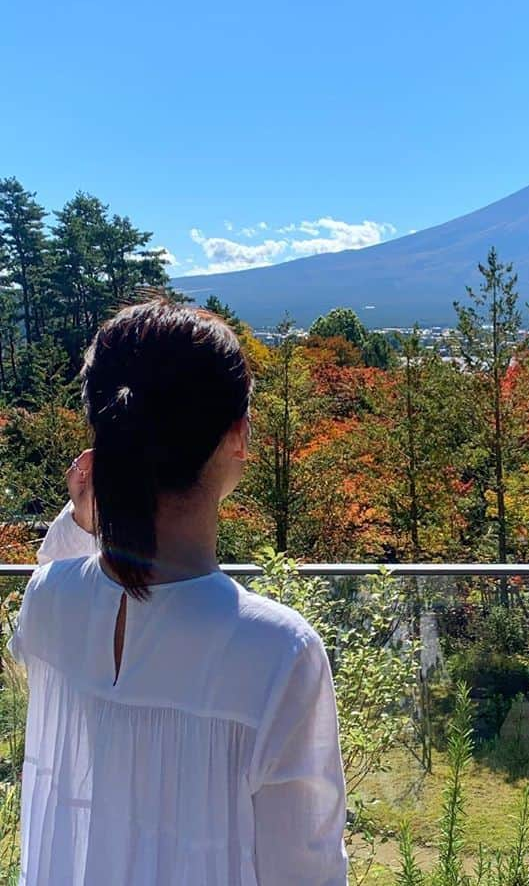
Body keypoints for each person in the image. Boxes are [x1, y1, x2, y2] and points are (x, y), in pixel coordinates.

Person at [10, 301, 349, 885]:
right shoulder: (276, 652)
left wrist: (88, 512)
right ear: (237, 436)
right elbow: (307, 872)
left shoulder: (49, 603)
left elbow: (68, 574)